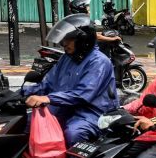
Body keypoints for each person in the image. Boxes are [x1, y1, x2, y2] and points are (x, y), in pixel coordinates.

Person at [23, 14, 119, 146]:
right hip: (65, 108)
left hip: (92, 114)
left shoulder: (99, 62)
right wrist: (22, 93)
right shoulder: (66, 58)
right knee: (28, 123)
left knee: (73, 133)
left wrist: (48, 99)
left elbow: (82, 94)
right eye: (64, 39)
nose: (64, 43)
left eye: (69, 39)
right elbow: (47, 84)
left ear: (83, 40)